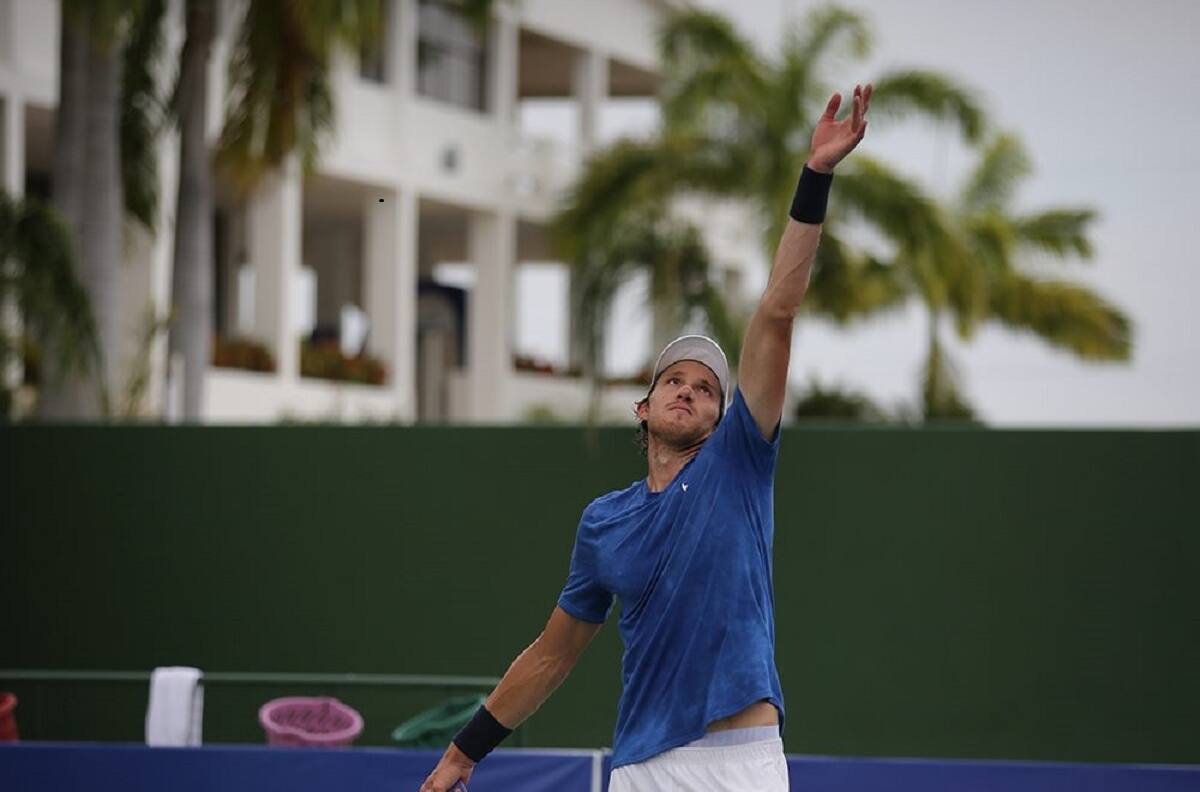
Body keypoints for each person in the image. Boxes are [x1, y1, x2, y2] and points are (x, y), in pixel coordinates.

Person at [419, 83, 872, 792]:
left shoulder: (739, 463)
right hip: (643, 768)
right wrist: (461, 754)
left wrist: (815, 178)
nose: (689, 389)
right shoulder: (605, 523)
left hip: (742, 763)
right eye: (674, 380)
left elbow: (778, 312)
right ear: (644, 407)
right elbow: (552, 655)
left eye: (706, 388)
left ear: (723, 421)